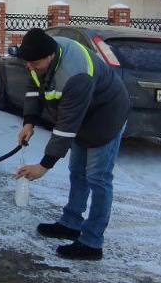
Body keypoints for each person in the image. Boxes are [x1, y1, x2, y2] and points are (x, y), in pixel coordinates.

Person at [14, 28, 129, 260]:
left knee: (98, 178)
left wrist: (44, 166)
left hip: (106, 115)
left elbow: (66, 127)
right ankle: (71, 222)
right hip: (83, 115)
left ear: (50, 57)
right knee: (77, 171)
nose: (30, 67)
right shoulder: (41, 55)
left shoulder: (75, 75)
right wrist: (29, 122)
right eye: (28, 63)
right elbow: (33, 90)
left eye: (35, 63)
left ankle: (92, 242)